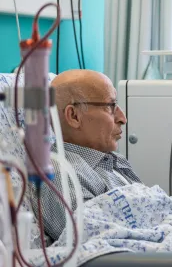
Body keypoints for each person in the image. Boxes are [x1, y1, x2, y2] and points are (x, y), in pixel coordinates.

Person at [29, 69, 142, 244]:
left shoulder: (113, 161)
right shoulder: (59, 173)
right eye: (111, 107)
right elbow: (99, 243)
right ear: (74, 116)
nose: (122, 118)